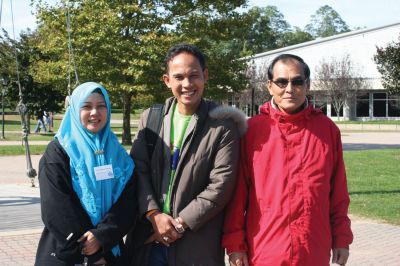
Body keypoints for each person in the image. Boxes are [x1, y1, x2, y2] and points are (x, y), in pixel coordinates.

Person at [222, 54, 353, 266]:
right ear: (269, 86)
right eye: (282, 82)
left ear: (308, 85)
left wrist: (342, 239)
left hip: (313, 249)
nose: (289, 89)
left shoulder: (327, 130)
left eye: (297, 81)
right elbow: (237, 195)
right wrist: (235, 245)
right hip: (265, 249)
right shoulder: (252, 131)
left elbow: (338, 192)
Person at [126, 43, 247, 266]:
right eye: (179, 77)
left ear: (205, 76)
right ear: (167, 80)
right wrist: (154, 215)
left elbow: (220, 186)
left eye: (194, 76)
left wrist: (179, 224)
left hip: (195, 245)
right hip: (148, 241)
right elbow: (138, 171)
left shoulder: (222, 126)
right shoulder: (150, 120)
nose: (187, 84)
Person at [35, 82, 137, 266]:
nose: (94, 113)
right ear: (74, 110)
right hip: (68, 250)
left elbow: (128, 202)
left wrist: (101, 237)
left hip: (110, 249)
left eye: (101, 106)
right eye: (87, 106)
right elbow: (56, 207)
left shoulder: (118, 154)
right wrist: (90, 251)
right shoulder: (58, 152)